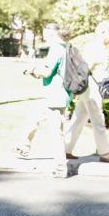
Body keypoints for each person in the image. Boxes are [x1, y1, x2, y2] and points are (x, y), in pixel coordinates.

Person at [18, 23, 71, 178]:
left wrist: (32, 71)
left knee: (56, 132)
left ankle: (61, 168)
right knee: (35, 117)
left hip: (56, 96)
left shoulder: (56, 48)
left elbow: (47, 72)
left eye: (46, 34)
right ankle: (23, 147)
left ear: (53, 34)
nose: (45, 37)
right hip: (56, 94)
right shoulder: (66, 47)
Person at [65, 20, 109, 164]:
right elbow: (84, 69)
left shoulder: (98, 47)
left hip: (89, 90)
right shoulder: (96, 47)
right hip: (92, 90)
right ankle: (105, 154)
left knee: (78, 119)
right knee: (98, 120)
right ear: (103, 32)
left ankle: (65, 149)